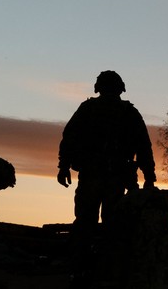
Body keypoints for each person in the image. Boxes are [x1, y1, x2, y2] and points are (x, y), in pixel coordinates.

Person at [57, 70, 156, 235]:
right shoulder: (127, 113)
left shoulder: (89, 109)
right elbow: (143, 146)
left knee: (93, 224)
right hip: (106, 176)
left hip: (104, 176)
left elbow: (69, 138)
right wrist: (149, 176)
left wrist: (64, 167)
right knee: (107, 225)